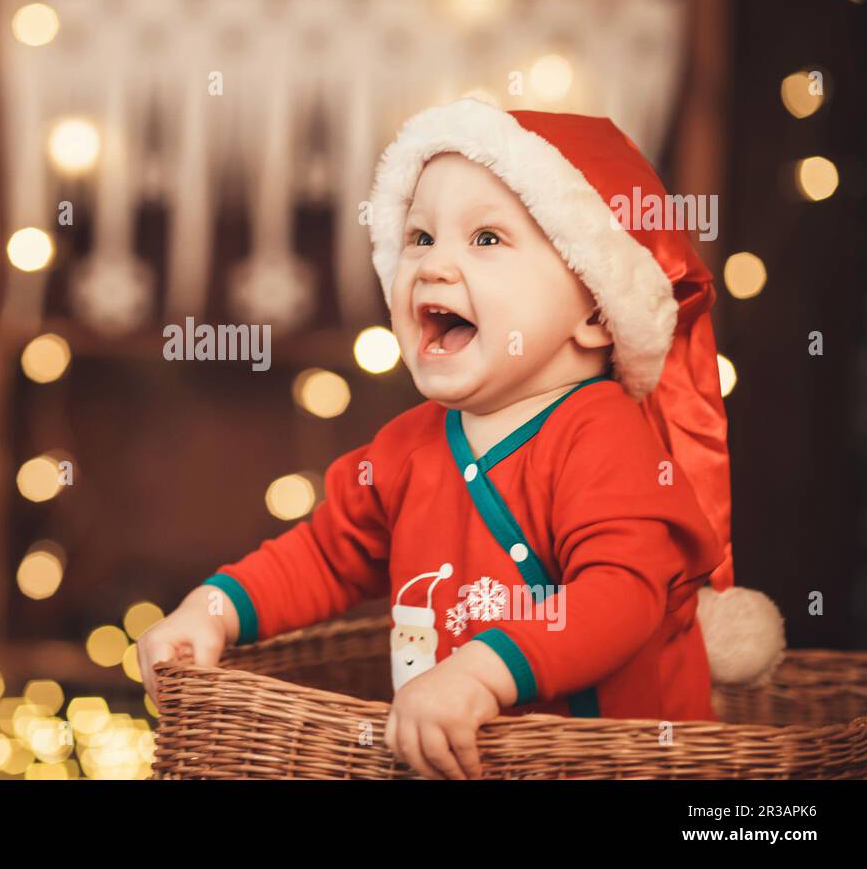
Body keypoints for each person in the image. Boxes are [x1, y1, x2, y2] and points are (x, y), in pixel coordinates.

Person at [138, 98, 784, 780]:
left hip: (612, 763)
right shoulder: (405, 447)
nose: (434, 267)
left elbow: (620, 595)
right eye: (419, 238)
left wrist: (483, 671)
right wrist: (210, 611)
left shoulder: (603, 438)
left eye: (486, 239)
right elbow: (324, 556)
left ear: (596, 308)